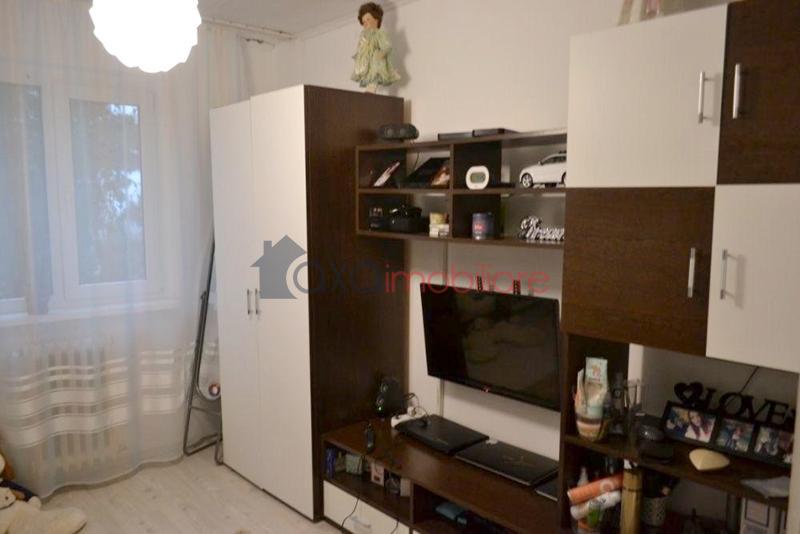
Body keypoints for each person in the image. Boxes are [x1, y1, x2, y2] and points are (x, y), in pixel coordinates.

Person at [352, 2, 401, 93]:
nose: (366, 23)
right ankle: (369, 87)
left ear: (376, 19)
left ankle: (372, 87)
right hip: (366, 59)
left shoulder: (379, 33)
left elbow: (386, 45)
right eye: (364, 22)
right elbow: (361, 47)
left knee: (375, 71)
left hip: (376, 58)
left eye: (368, 19)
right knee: (367, 72)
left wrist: (382, 53)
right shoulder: (364, 35)